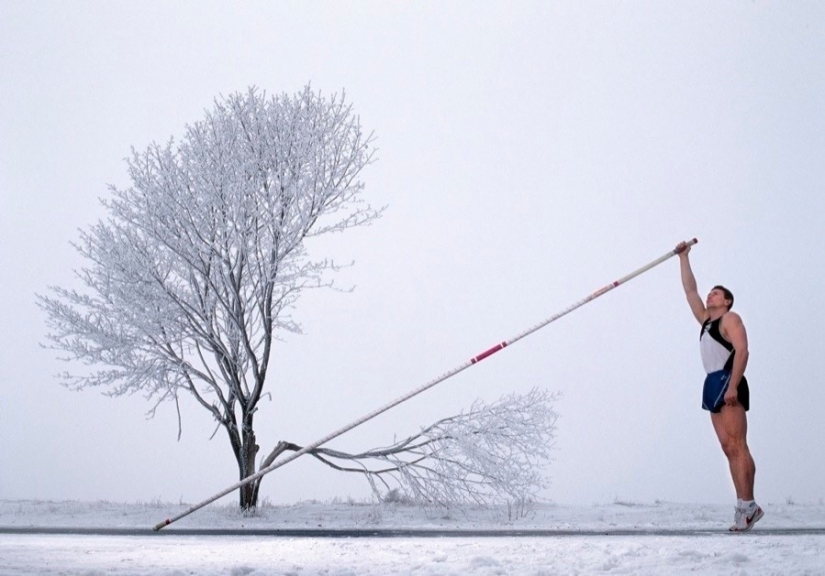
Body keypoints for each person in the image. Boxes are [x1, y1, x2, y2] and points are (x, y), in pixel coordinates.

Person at [675, 241, 763, 532]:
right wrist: (684, 258)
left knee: (738, 446)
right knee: (728, 448)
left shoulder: (730, 319)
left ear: (726, 302)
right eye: (710, 292)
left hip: (729, 379)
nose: (710, 294)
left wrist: (734, 385)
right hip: (711, 382)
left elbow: (743, 350)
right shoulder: (705, 320)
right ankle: (745, 506)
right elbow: (690, 291)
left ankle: (747, 506)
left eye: (717, 293)